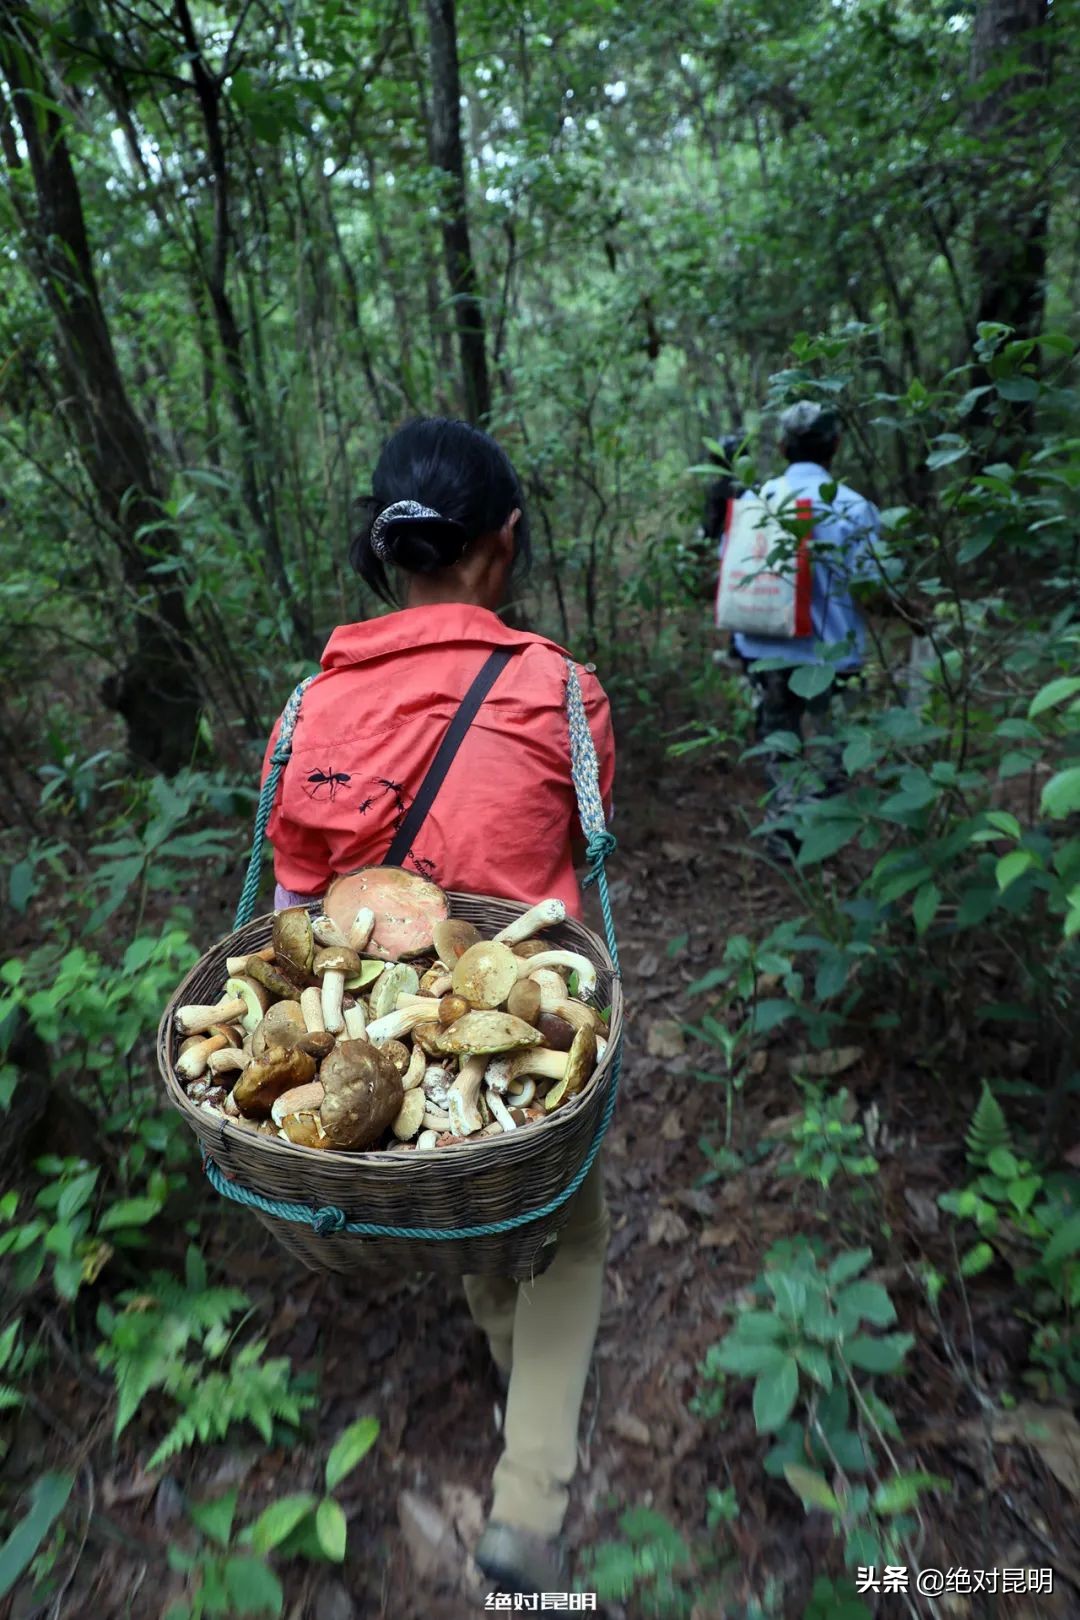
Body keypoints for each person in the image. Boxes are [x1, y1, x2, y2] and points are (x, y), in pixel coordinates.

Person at [261, 416, 616, 1596]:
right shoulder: (561, 693)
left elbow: (293, 917)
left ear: (390, 548)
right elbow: (574, 844)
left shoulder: (307, 711)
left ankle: (520, 1377)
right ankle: (528, 1507)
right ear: (502, 546)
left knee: (469, 1205)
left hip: (370, 1052)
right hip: (524, 1045)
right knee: (561, 1227)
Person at [728, 401, 888, 819]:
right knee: (828, 749)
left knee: (779, 743)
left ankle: (787, 830)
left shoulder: (754, 500)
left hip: (764, 651)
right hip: (830, 658)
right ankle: (828, 832)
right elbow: (872, 588)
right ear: (835, 445)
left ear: (781, 446)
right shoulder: (853, 508)